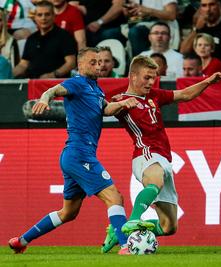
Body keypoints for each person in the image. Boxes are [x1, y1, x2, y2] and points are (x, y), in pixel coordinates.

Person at [8, 47, 139, 255]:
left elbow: (105, 109)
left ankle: (21, 240)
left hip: (72, 155)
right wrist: (44, 99)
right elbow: (53, 90)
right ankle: (126, 246)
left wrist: (124, 103)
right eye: (93, 62)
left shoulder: (95, 88)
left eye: (100, 62)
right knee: (114, 198)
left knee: (68, 213)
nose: (99, 66)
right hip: (80, 154)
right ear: (80, 65)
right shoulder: (76, 83)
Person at [100, 55, 221, 253]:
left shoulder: (154, 96)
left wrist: (208, 81)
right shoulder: (123, 100)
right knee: (155, 180)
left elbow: (185, 95)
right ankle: (132, 222)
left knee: (169, 226)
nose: (151, 82)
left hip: (164, 157)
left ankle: (116, 233)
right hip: (145, 154)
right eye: (147, 77)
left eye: (153, 78)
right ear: (133, 76)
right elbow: (106, 110)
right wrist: (120, 104)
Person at [12, 1, 77, 78]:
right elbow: (23, 64)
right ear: (35, 18)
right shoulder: (31, 39)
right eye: (39, 15)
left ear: (54, 16)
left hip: (56, 85)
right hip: (33, 85)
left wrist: (53, 75)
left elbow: (71, 63)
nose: (43, 18)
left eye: (47, 14)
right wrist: (8, 74)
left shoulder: (64, 36)